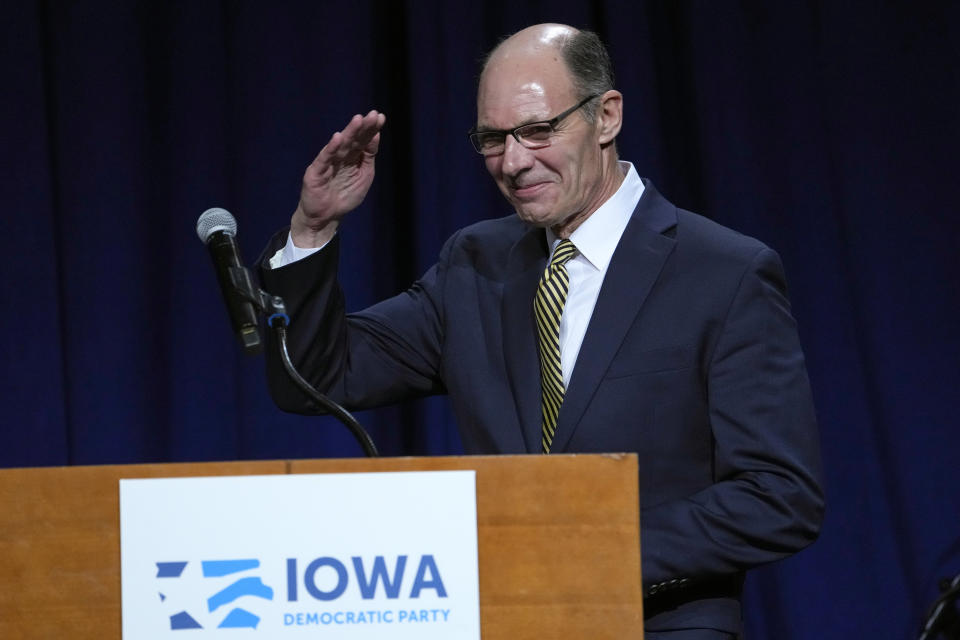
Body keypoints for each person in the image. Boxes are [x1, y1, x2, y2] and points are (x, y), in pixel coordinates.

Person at [258, 23, 824, 639]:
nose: (514, 162)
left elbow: (780, 495)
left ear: (606, 116)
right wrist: (313, 230)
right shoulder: (475, 264)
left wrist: (585, 550)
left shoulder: (724, 272)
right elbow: (314, 376)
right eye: (492, 139)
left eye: (537, 130)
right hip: (506, 623)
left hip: (657, 623)